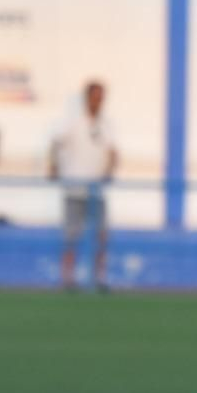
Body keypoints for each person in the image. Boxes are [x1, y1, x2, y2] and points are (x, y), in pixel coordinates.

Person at [50, 81, 119, 291]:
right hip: (74, 188)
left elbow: (113, 151)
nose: (98, 101)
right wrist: (53, 166)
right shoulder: (73, 123)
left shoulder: (106, 125)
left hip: (97, 191)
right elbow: (56, 144)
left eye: (101, 98)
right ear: (87, 98)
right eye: (95, 97)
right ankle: (67, 279)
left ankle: (100, 278)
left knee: (101, 236)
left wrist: (110, 170)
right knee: (71, 236)